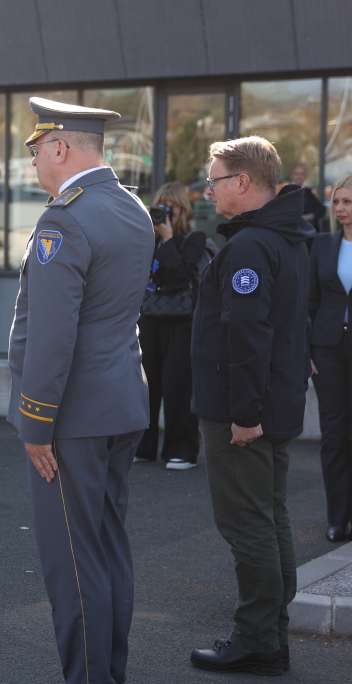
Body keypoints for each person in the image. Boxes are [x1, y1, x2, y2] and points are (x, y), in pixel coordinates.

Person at [6, 97, 153, 684]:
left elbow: (51, 336)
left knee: (72, 564)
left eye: (37, 149)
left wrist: (35, 422)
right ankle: (109, 671)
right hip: (120, 404)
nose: (33, 161)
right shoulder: (130, 207)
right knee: (108, 551)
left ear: (61, 147)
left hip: (71, 417)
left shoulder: (64, 220)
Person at [189, 136, 313, 675]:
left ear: (242, 181)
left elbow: (247, 335)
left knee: (247, 522)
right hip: (273, 405)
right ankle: (270, 634)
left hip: (244, 413)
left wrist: (244, 415)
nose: (208, 190)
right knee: (269, 516)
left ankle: (258, 638)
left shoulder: (251, 246)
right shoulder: (286, 238)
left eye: (214, 180)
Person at [136, 182, 207, 469]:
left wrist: (167, 240)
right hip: (148, 319)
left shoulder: (194, 239)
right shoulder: (145, 240)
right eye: (160, 206)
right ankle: (143, 445)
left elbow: (179, 275)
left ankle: (181, 449)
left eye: (171, 206)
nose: (165, 212)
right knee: (145, 387)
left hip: (181, 322)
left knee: (178, 387)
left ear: (183, 209)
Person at [308, 175, 352, 543]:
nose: (340, 209)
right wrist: (306, 351)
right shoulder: (322, 245)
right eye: (336, 202)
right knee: (334, 435)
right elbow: (308, 302)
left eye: (347, 202)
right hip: (328, 351)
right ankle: (337, 517)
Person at [278, 162, 327, 232]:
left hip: (309, 232)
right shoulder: (285, 192)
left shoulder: (308, 192)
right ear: (291, 175)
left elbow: (322, 210)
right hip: (292, 232)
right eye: (296, 174)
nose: (299, 176)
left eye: (302, 174)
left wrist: (309, 216)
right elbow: (281, 214)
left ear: (305, 176)